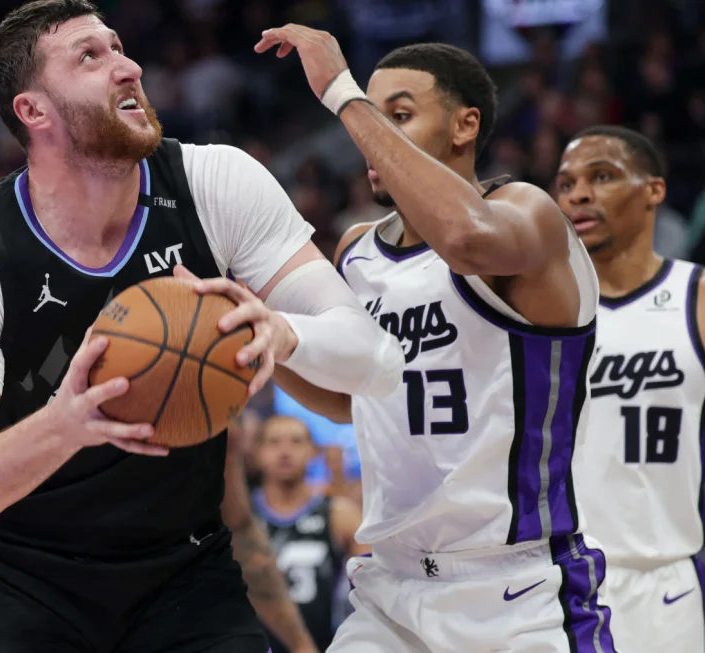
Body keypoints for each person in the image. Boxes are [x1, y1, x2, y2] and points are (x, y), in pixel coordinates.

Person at [0, 1, 405, 651]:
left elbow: (374, 357)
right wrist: (64, 423)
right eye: (91, 56)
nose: (128, 66)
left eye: (119, 47)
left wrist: (282, 332)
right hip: (15, 575)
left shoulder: (215, 184)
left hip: (180, 570)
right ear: (33, 111)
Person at [261, 26, 616, 651]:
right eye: (369, 114)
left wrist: (343, 92)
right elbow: (352, 398)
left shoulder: (526, 215)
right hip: (390, 588)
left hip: (516, 592)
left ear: (464, 126)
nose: (367, 132)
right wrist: (264, 341)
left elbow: (466, 239)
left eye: (396, 114)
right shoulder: (357, 251)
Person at [557, 125, 705, 653]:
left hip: (667, 583)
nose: (578, 194)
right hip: (552, 587)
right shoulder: (538, 316)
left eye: (601, 176)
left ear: (655, 190)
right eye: (566, 183)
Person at [251, 416, 364, 652]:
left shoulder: (339, 514)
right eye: (274, 442)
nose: (285, 451)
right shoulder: (241, 521)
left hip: (325, 645)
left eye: (296, 441)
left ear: (314, 451)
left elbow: (374, 584)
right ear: (258, 452)